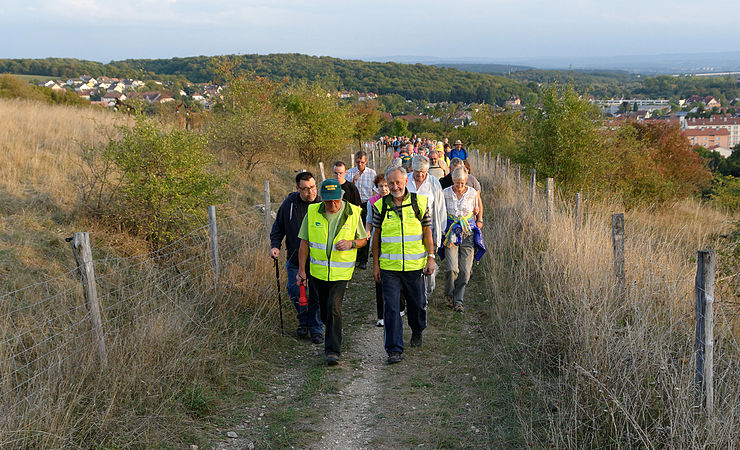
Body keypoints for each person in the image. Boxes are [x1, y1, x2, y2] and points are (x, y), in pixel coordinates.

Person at [297, 179, 367, 366]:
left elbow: (363, 240)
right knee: (324, 309)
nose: (332, 204)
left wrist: (351, 243)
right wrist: (302, 271)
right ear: (323, 199)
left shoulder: (352, 212)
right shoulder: (312, 212)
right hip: (317, 273)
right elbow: (304, 242)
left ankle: (332, 351)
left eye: (335, 200)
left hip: (340, 274)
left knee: (334, 308)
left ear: (341, 197)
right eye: (328, 201)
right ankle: (332, 332)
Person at [372, 166, 436, 364]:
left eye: (398, 182)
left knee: (417, 304)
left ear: (406, 181)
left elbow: (427, 231)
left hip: (414, 266)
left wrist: (431, 257)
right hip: (389, 268)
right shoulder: (380, 206)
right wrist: (375, 265)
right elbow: (376, 237)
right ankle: (394, 349)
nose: (395, 186)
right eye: (391, 183)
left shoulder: (419, 202)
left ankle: (417, 330)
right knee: (391, 308)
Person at [270, 172, 323, 343]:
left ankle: (316, 328)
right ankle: (304, 320)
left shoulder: (323, 204)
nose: (311, 192)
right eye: (306, 189)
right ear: (297, 189)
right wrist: (275, 246)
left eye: (313, 187)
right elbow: (278, 226)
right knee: (294, 290)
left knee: (316, 295)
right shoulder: (289, 204)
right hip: (294, 258)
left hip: (317, 260)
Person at [439, 166, 486, 313]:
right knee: (452, 268)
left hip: (468, 233)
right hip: (451, 233)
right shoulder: (445, 193)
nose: (459, 186)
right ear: (452, 180)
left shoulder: (472, 192)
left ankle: (458, 300)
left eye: (462, 183)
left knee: (465, 272)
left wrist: (479, 218)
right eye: (457, 183)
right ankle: (449, 294)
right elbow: (440, 212)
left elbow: (477, 208)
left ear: (466, 181)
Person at [366, 174, 404, 327]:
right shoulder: (372, 202)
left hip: (394, 244)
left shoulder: (397, 201)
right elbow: (368, 220)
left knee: (398, 276)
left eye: (386, 186)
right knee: (379, 279)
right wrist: (368, 232)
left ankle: (401, 305)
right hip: (378, 244)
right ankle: (381, 315)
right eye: (380, 186)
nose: (384, 189)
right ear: (377, 188)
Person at [406, 155, 445, 302]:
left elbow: (440, 209)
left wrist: (439, 233)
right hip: (409, 229)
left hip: (429, 228)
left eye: (423, 172)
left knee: (429, 261)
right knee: (414, 263)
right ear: (411, 168)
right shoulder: (406, 180)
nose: (420, 175)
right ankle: (415, 294)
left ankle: (427, 292)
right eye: (417, 172)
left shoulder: (434, 183)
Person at [345, 151, 377, 270]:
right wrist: (353, 181)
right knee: (352, 230)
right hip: (353, 204)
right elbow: (346, 187)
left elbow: (375, 188)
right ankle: (355, 256)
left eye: (362, 162)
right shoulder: (350, 173)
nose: (360, 164)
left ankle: (363, 259)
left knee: (364, 231)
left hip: (366, 203)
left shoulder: (371, 173)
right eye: (358, 162)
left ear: (366, 161)